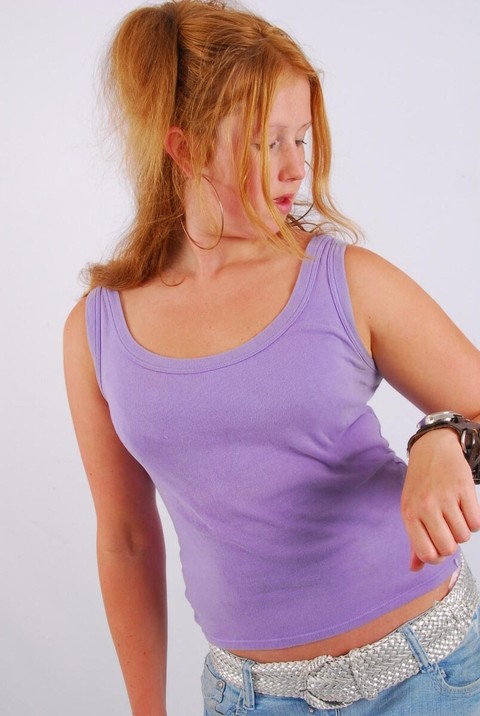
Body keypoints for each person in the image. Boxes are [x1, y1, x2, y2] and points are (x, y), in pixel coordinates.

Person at [63, 1, 480, 713]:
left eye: (301, 139)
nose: (294, 168)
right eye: (264, 143)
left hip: (430, 677)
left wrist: (444, 436)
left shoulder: (344, 278)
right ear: (185, 148)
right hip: (251, 698)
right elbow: (128, 540)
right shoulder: (98, 330)